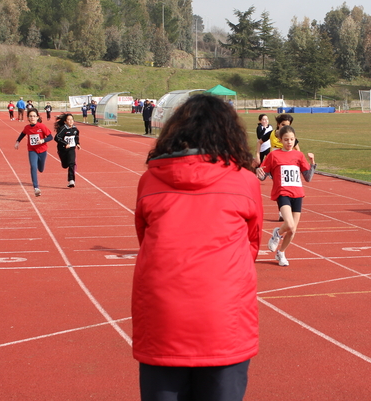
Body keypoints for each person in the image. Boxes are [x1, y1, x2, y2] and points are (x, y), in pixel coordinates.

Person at [132, 94, 262, 401]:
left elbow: (144, 238)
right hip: (225, 318)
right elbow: (251, 243)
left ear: (174, 132)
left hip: (162, 318)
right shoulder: (245, 181)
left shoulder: (150, 180)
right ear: (229, 133)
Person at [257, 125, 316, 267]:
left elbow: (308, 177)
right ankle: (277, 233)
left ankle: (281, 253)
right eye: (286, 140)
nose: (289, 142)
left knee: (293, 229)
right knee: (288, 224)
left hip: (298, 194)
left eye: (292, 139)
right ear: (280, 140)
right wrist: (258, 172)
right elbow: (263, 176)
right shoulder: (273, 155)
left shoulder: (299, 155)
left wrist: (313, 163)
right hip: (282, 193)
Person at [14, 109, 53, 197]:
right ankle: (36, 188)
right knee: (33, 166)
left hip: (42, 150)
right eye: (30, 116)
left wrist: (43, 140)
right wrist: (17, 142)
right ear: (28, 118)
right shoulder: (27, 127)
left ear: (37, 117)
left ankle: (40, 168)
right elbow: (22, 134)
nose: (32, 118)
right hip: (32, 150)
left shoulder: (41, 126)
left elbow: (51, 137)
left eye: (34, 116)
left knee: (41, 169)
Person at [54, 113, 80, 188]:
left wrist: (77, 143)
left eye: (72, 119)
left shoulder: (75, 129)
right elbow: (57, 138)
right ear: (65, 121)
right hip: (62, 149)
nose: (71, 121)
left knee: (72, 163)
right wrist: (65, 143)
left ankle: (71, 180)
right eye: (68, 119)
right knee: (65, 165)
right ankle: (64, 163)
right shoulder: (63, 129)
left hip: (71, 148)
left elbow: (76, 137)